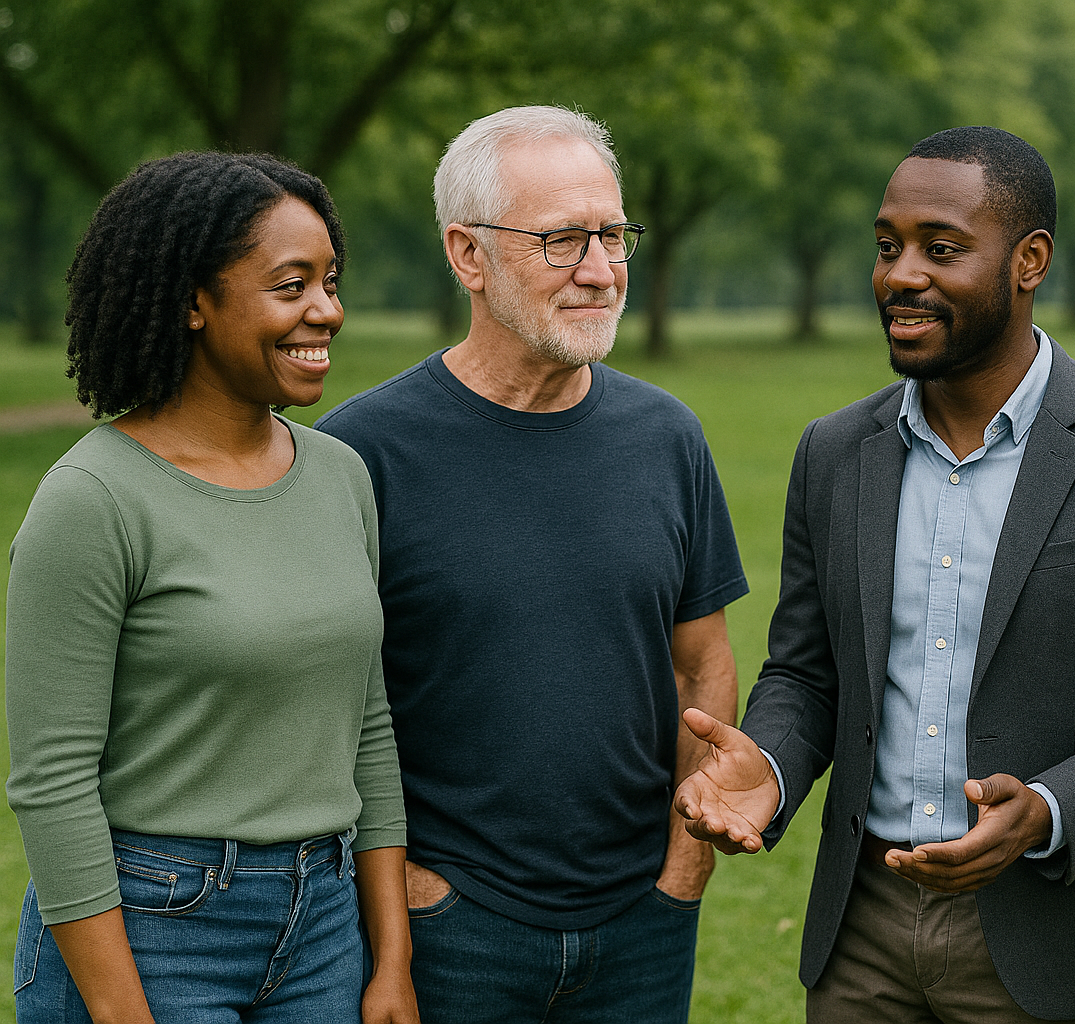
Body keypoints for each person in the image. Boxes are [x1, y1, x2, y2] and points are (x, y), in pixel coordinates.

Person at [675, 126, 1075, 1023]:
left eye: (941, 249)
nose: (901, 274)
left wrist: (1051, 808)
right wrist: (771, 768)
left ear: (1029, 260)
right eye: (887, 246)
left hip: (1045, 938)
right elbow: (808, 671)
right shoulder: (832, 452)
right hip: (860, 933)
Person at [315, 105, 748, 1024]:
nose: (601, 270)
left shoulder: (668, 437)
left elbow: (700, 664)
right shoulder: (361, 452)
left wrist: (683, 868)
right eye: (561, 241)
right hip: (449, 929)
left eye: (612, 234)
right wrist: (415, 898)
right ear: (467, 254)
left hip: (643, 923)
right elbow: (333, 710)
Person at [5, 152, 414, 1023]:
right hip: (150, 931)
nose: (327, 311)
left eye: (331, 280)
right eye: (291, 284)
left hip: (325, 931)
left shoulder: (341, 476)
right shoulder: (93, 499)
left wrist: (392, 962)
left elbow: (368, 728)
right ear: (193, 300)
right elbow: (54, 783)